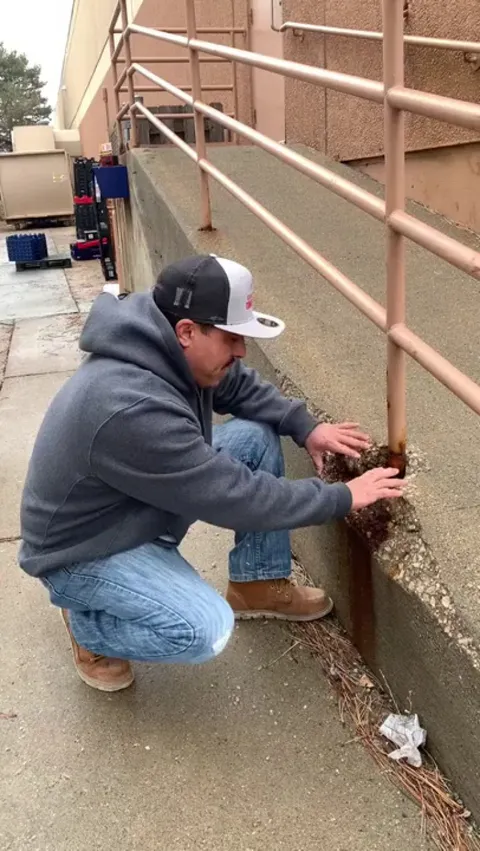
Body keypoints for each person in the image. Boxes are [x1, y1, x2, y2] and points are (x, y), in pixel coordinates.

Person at [19, 255, 406, 692]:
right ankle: (89, 626)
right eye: (231, 339)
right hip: (85, 548)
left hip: (128, 503)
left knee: (257, 436)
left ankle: (256, 583)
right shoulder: (130, 406)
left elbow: (236, 384)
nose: (240, 351)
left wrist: (307, 427)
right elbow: (235, 497)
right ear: (187, 332)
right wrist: (343, 496)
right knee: (205, 631)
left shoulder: (164, 341)